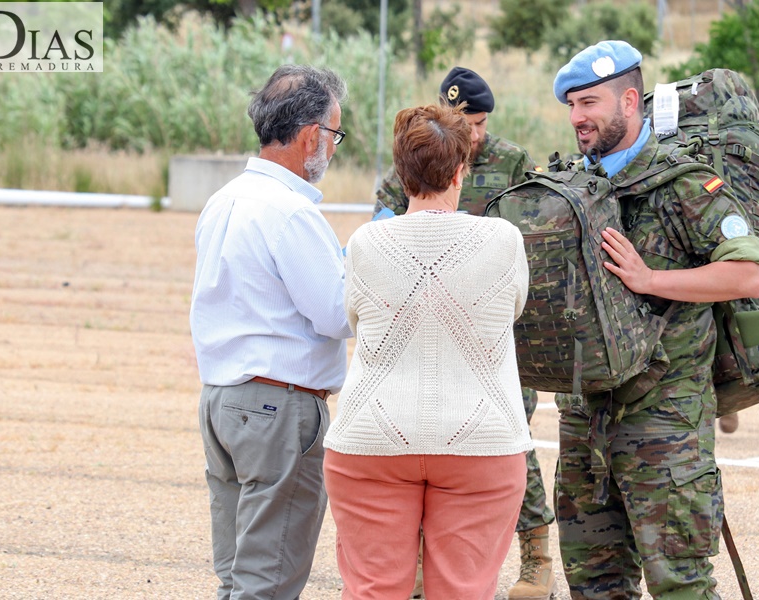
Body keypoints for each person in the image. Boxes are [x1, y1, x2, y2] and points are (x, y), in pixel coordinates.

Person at [551, 41, 759, 598]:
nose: (578, 117)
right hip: (585, 427)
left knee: (682, 588)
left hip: (665, 425)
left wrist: (651, 280)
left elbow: (748, 274)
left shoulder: (684, 185)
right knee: (595, 587)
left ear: (629, 100)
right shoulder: (570, 190)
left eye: (589, 103)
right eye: (571, 105)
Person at [324, 102, 532, 600]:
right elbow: (513, 309)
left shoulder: (367, 242)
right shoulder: (504, 239)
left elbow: (355, 318)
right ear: (461, 170)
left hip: (371, 439)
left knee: (373, 591)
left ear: (401, 171)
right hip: (481, 441)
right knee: (464, 592)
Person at [373, 67, 556, 600]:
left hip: (491, 337)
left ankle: (537, 555)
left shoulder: (514, 162)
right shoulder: (418, 160)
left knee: (511, 442)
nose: (473, 135)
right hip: (428, 333)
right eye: (464, 123)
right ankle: (428, 571)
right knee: (428, 448)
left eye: (478, 124)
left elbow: (537, 242)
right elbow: (387, 229)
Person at [189, 65, 353, 600]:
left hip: (223, 400)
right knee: (269, 581)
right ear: (311, 136)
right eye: (334, 133)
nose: (332, 147)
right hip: (277, 409)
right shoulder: (289, 214)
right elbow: (333, 313)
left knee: (237, 575)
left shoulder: (224, 200)